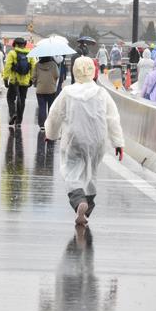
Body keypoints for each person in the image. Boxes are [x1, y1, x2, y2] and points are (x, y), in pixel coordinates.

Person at [44, 57, 125, 225]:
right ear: (93, 72)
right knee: (91, 172)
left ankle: (79, 200)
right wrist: (118, 143)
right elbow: (112, 118)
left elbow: (54, 115)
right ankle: (87, 209)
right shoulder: (102, 93)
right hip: (98, 140)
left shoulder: (67, 92)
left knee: (71, 171)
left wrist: (51, 135)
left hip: (74, 138)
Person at [3, 37, 35, 130]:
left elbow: (8, 67)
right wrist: (31, 79)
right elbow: (33, 67)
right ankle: (19, 122)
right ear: (24, 44)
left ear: (15, 44)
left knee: (10, 98)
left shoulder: (12, 53)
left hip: (14, 81)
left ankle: (13, 113)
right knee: (22, 100)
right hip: (25, 82)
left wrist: (5, 79)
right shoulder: (30, 53)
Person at [33, 55, 61, 132]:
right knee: (51, 107)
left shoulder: (37, 65)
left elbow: (34, 77)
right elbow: (57, 75)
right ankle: (50, 124)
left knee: (42, 107)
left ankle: (42, 125)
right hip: (51, 89)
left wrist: (36, 83)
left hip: (40, 89)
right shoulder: (54, 64)